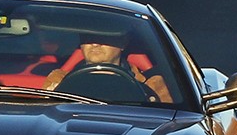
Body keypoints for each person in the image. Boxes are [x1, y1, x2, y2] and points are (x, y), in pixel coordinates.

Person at [44, 35, 173, 104]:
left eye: (104, 37)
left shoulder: (152, 84)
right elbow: (46, 116)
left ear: (123, 42)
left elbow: (166, 124)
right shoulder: (57, 79)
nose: (95, 44)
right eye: (88, 37)